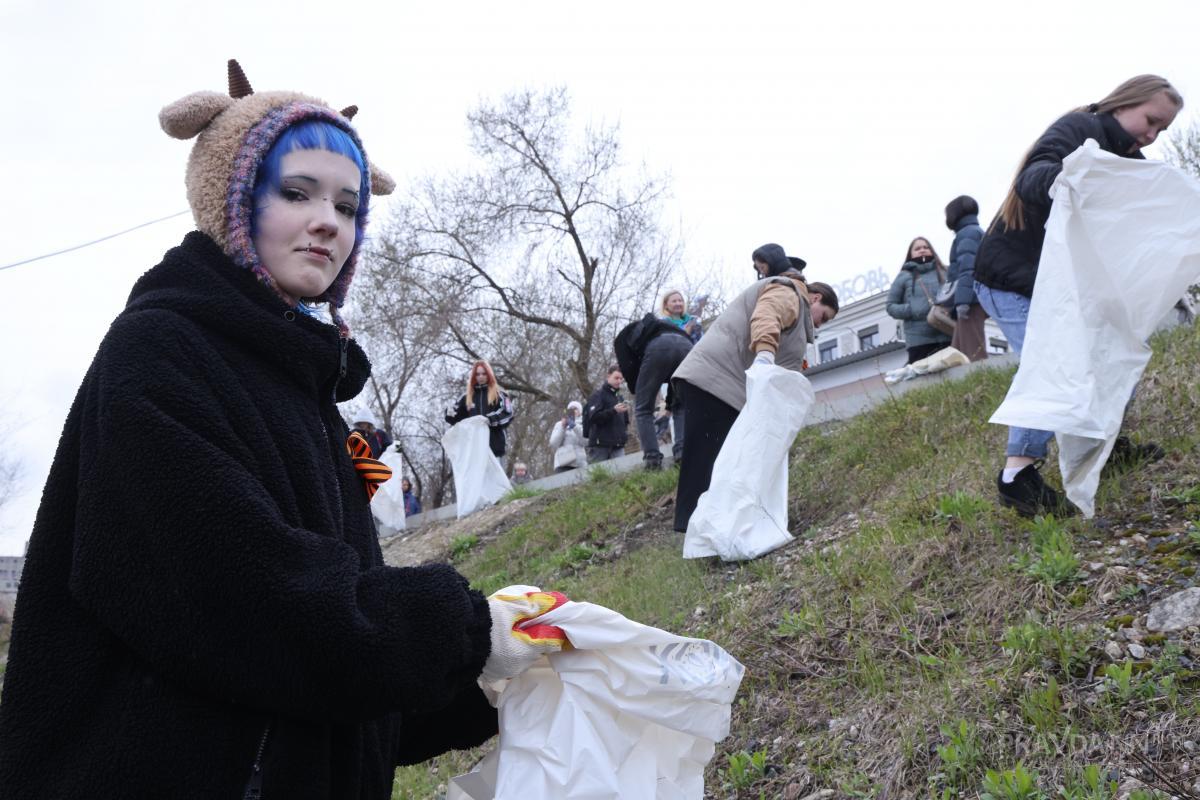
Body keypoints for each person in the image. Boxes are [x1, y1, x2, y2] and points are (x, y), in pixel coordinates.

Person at [0, 61, 568, 798]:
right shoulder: (159, 355)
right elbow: (247, 605)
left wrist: (483, 685)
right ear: (231, 201)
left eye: (348, 204)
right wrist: (458, 631)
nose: (328, 220)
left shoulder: (306, 394)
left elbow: (318, 673)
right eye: (295, 192)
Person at [974, 74, 1182, 517]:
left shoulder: (1130, 161)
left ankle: (1103, 445)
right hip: (1011, 277)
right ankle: (1017, 475)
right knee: (1054, 362)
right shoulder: (1079, 130)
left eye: (1161, 130)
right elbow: (1032, 177)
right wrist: (1075, 180)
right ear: (1122, 103)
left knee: (1111, 350)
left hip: (1066, 284)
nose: (1151, 134)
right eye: (1150, 120)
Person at [671, 243, 839, 532]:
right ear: (815, 297)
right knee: (706, 460)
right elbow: (766, 316)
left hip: (720, 383)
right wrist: (764, 354)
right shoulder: (789, 292)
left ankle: (707, 530)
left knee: (717, 459)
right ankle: (697, 533)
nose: (820, 325)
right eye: (823, 316)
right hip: (715, 381)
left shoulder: (794, 301)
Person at [886, 237, 952, 364]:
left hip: (948, 334)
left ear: (932, 251)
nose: (922, 250)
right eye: (917, 248)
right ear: (910, 254)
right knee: (924, 381)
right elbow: (890, 306)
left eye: (926, 247)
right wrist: (912, 309)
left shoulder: (946, 271)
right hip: (919, 342)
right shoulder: (903, 276)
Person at [445, 360, 515, 467]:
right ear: (474, 376)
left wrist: (489, 420)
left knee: (496, 482)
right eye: (477, 374)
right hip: (473, 449)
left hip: (495, 447)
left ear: (489, 374)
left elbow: (508, 413)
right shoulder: (466, 398)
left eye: (484, 373)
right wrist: (449, 413)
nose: (481, 377)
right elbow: (456, 418)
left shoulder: (500, 395)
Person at [944, 196, 988, 362]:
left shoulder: (966, 234)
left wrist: (962, 301)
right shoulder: (975, 231)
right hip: (975, 295)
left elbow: (967, 269)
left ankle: (982, 381)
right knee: (958, 349)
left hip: (971, 299)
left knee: (972, 349)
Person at [585, 365, 630, 463]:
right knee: (597, 477)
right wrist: (613, 411)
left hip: (618, 445)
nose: (619, 381)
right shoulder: (597, 395)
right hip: (600, 446)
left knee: (623, 474)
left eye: (621, 379)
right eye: (616, 378)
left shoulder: (620, 397)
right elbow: (593, 418)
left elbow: (625, 421)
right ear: (608, 376)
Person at [548, 400, 588, 472]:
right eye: (571, 409)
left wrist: (575, 427)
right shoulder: (559, 424)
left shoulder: (583, 424)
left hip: (579, 463)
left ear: (580, 412)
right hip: (563, 462)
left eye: (575, 409)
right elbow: (553, 444)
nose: (573, 411)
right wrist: (562, 427)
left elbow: (586, 442)